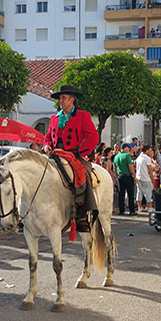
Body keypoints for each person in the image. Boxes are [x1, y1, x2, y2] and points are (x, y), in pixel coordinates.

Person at [42, 85, 100, 231]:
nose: (61, 101)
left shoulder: (82, 115)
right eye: (60, 98)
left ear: (72, 99)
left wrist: (81, 151)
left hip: (74, 153)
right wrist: (46, 146)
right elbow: (48, 136)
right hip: (55, 152)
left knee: (84, 174)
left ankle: (82, 214)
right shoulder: (54, 117)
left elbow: (93, 137)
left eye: (64, 97)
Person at [113, 143, 137, 216]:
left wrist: (116, 175)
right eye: (128, 148)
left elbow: (115, 168)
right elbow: (130, 166)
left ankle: (121, 210)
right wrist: (134, 175)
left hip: (120, 176)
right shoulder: (127, 156)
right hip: (128, 176)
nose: (129, 149)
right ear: (125, 148)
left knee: (121, 194)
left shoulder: (116, 156)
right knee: (130, 194)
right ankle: (131, 210)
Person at [135, 145, 156, 211]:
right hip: (146, 178)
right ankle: (149, 207)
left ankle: (139, 207)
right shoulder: (147, 158)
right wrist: (152, 179)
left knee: (139, 192)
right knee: (148, 193)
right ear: (146, 151)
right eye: (150, 151)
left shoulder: (138, 158)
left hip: (138, 177)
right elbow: (150, 169)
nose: (150, 152)